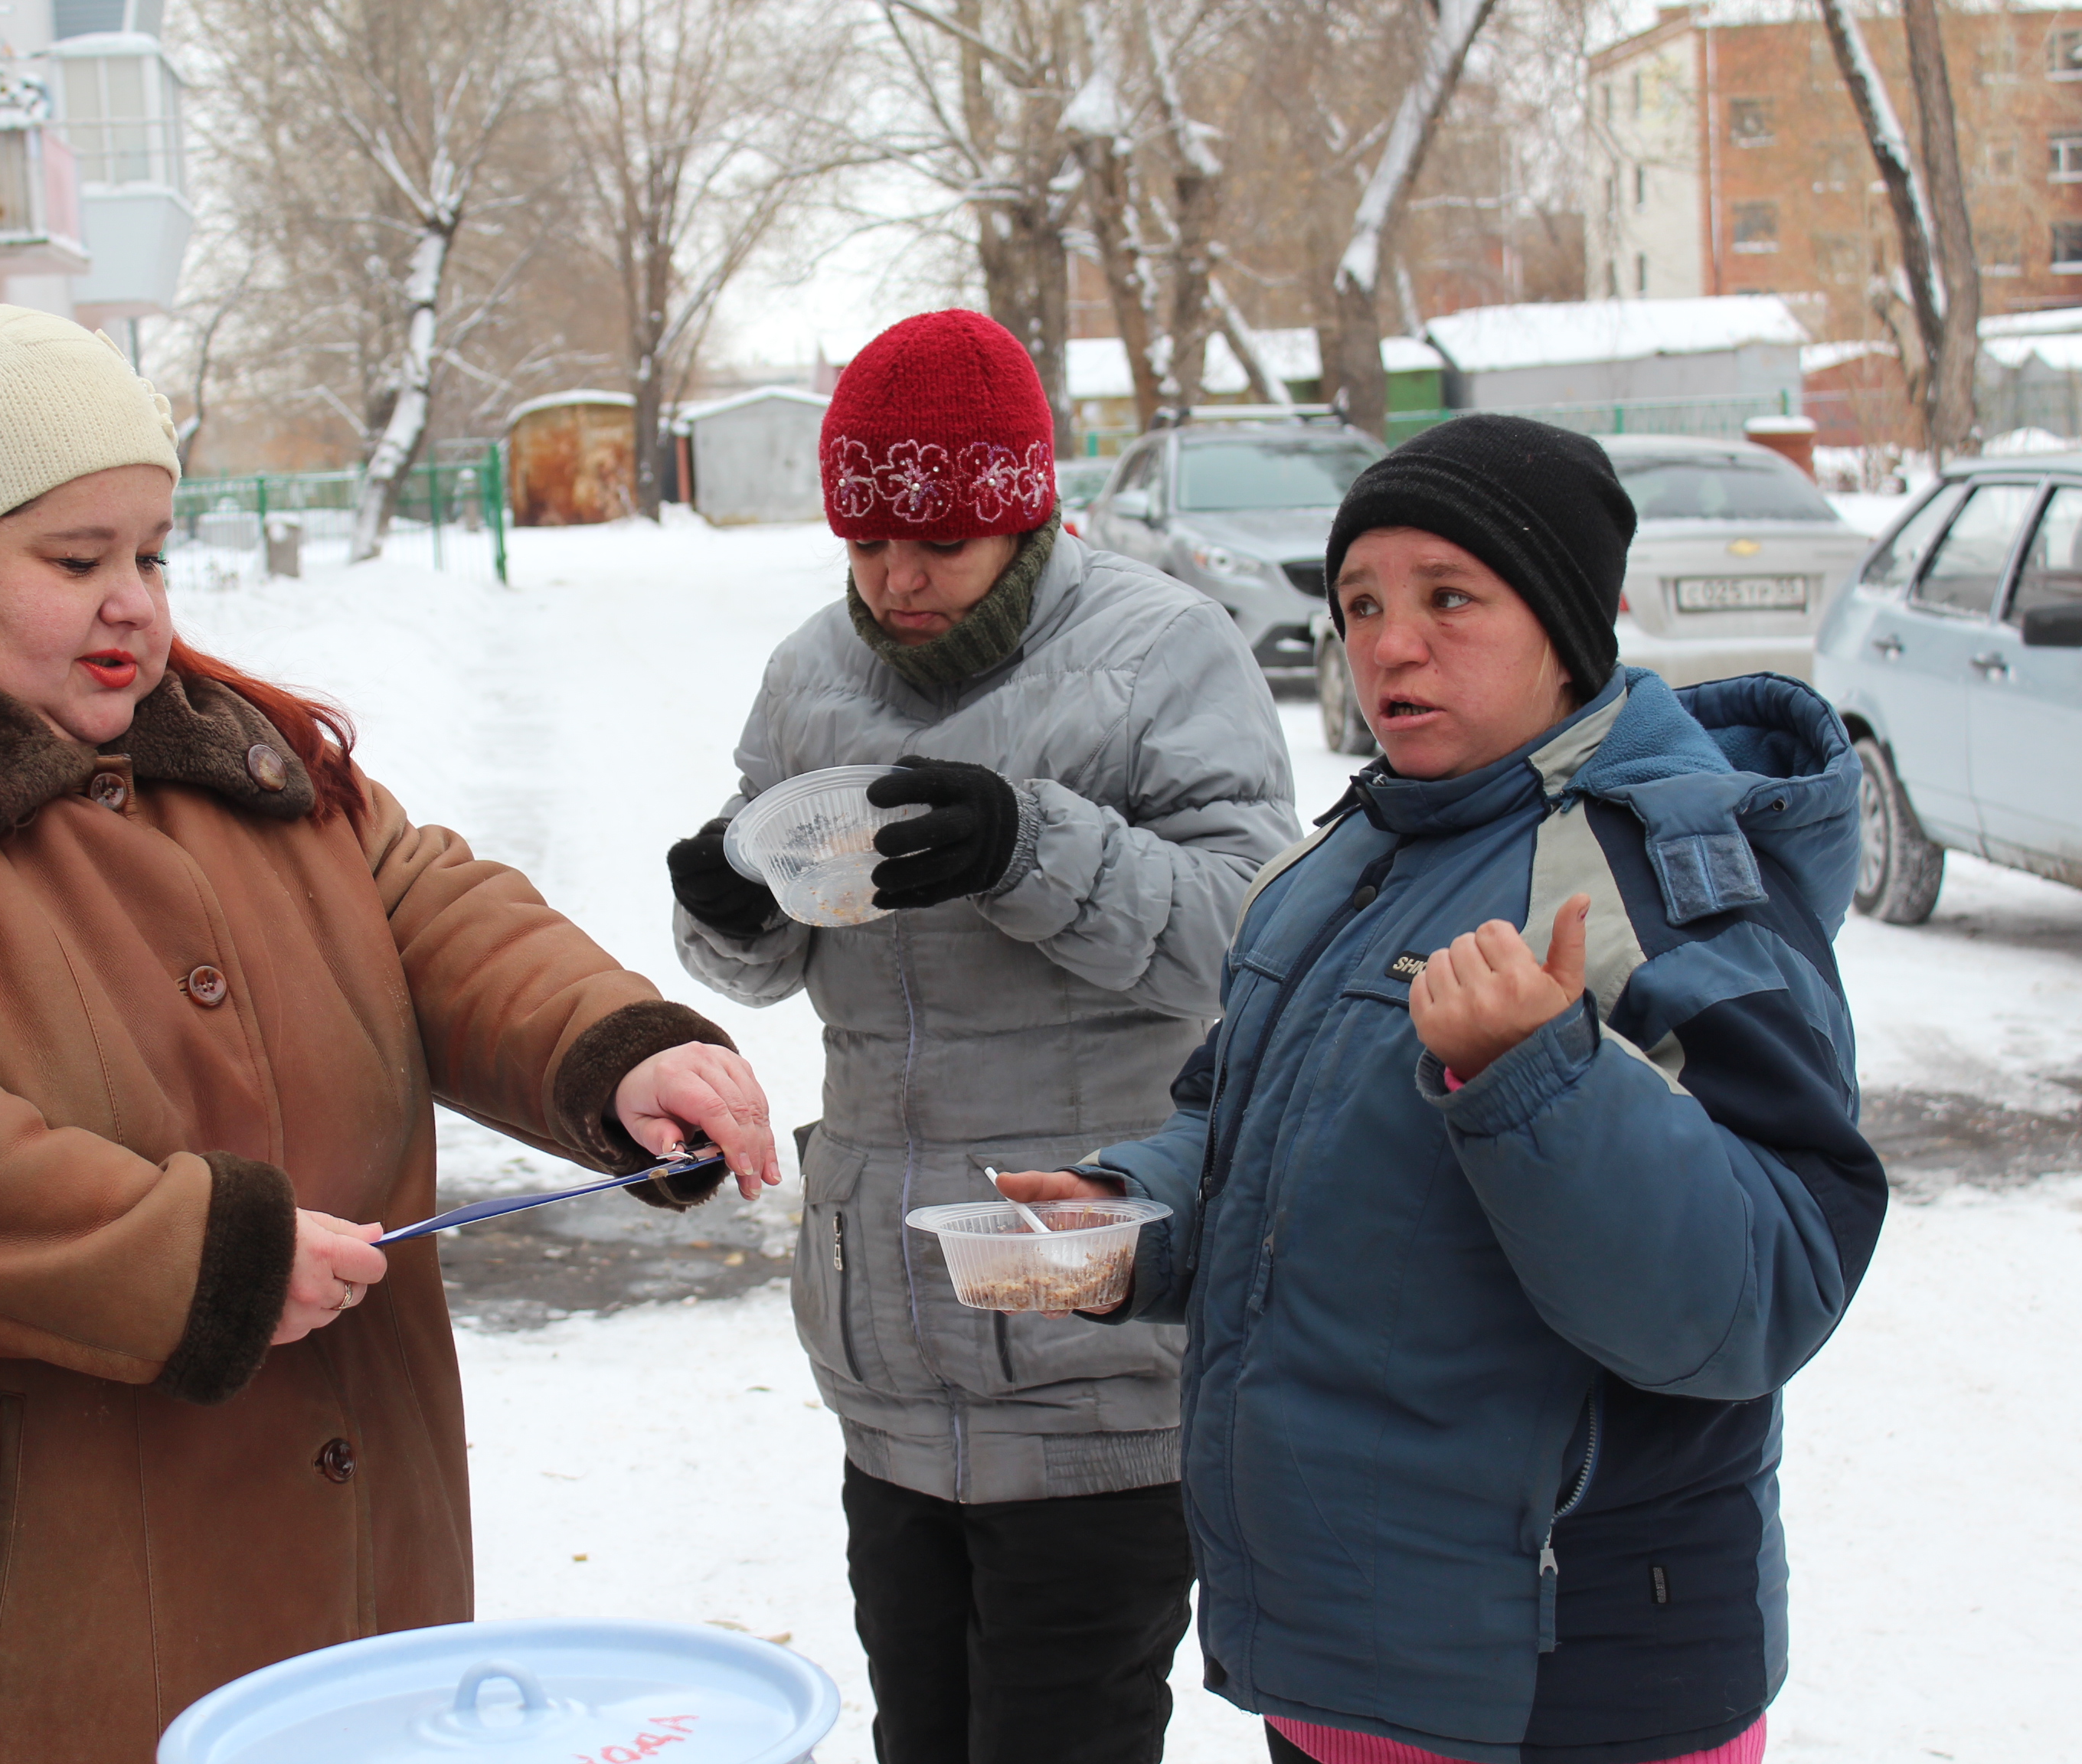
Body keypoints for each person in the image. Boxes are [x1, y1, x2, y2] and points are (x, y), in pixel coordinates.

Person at [0, 297, 779, 1763]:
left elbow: (419, 903)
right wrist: (201, 1259)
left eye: (152, 554)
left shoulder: (218, 749)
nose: (138, 605)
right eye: (75, 559)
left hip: (331, 1585)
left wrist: (613, 1044)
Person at [1002, 415, 1888, 1764]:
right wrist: (1134, 1216)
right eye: (1360, 602)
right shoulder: (1344, 861)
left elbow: (1767, 1286)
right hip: (1350, 1662)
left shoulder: (1670, 878)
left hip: (1566, 1686)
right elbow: (1239, 1123)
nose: (1387, 644)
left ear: (1567, 625)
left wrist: (1541, 1081)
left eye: (1449, 597)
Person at [668, 308, 1299, 1763]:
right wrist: (725, 904)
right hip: (887, 1349)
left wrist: (1027, 846)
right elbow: (765, 956)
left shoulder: (1165, 650)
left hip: (1089, 1345)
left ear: (1022, 514)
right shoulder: (810, 674)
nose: (897, 581)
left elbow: (1248, 937)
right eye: (868, 546)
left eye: (938, 544)